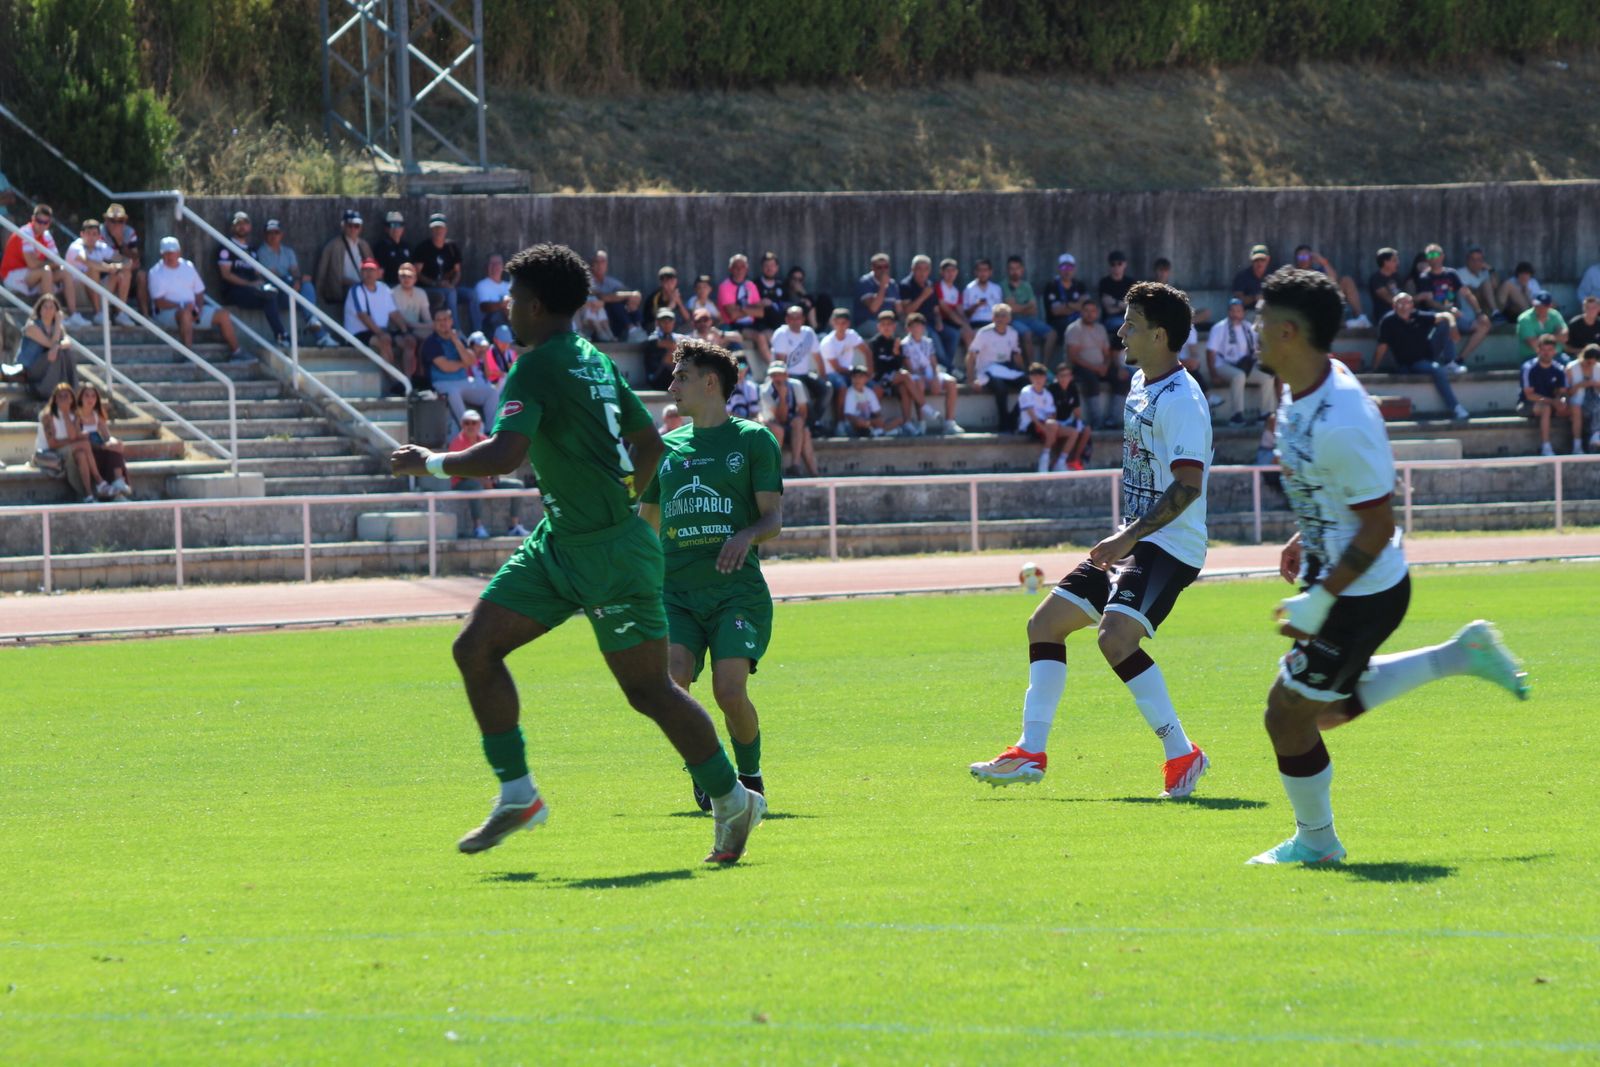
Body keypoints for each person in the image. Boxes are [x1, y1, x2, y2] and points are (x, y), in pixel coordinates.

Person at [388, 242, 764, 862]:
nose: (506, 308)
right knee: (476, 649)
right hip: (561, 544)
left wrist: (428, 462)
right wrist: (623, 502)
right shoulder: (591, 357)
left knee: (650, 692)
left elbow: (506, 454)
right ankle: (518, 794)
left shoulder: (536, 367)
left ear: (534, 305)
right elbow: (649, 443)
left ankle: (732, 799)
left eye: (512, 299)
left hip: (609, 554)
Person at [1245, 266, 1527, 866]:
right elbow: (1338, 493)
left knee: (1287, 715)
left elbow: (1376, 525)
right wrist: (1306, 535)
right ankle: (1459, 655)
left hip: (1361, 592)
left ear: (1290, 332)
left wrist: (1322, 598)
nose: (1253, 332)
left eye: (1262, 322)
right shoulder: (1301, 388)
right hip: (1342, 582)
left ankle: (1317, 844)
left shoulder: (1342, 417)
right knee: (1320, 710)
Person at [970, 281, 1212, 798]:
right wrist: (1126, 537)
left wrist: (1126, 538)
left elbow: (1188, 486)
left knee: (1115, 637)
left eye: (1132, 324)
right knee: (1045, 624)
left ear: (1160, 335)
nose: (1120, 331)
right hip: (1136, 540)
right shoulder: (1141, 384)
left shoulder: (1183, 399)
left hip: (1170, 545)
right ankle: (1030, 751)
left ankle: (1182, 753)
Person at [640, 339, 785, 810]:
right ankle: (707, 768)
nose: (671, 385)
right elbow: (646, 526)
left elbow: (772, 520)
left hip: (734, 593)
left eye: (681, 376)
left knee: (728, 690)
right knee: (672, 684)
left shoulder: (753, 440)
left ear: (710, 383)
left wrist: (745, 536)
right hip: (675, 593)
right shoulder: (662, 449)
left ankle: (750, 775)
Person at [1374, 293, 1470, 421]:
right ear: (1394, 306)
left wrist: (1453, 325)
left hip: (1427, 355)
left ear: (1411, 305)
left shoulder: (1417, 315)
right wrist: (1373, 368)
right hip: (1410, 363)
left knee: (1444, 324)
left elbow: (1446, 315)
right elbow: (1382, 347)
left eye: (1407, 303)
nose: (1404, 306)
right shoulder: (1388, 321)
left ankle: (1450, 363)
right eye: (1400, 303)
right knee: (1437, 370)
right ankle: (1456, 407)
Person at [147, 236, 247, 360]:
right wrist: (182, 305)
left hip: (191, 308)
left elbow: (199, 292)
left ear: (178, 252)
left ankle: (237, 352)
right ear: (161, 254)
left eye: (171, 253)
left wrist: (198, 308)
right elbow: (159, 302)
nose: (169, 256)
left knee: (223, 315)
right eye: (166, 253)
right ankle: (188, 356)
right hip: (166, 313)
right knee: (185, 314)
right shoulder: (155, 272)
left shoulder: (188, 266)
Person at [254, 218, 337, 348]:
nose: (273, 235)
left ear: (281, 234)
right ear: (265, 235)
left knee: (307, 283)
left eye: (276, 232)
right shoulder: (262, 252)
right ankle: (314, 325)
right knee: (294, 285)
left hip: (291, 289)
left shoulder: (288, 251)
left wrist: (298, 280)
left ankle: (318, 331)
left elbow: (295, 271)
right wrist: (293, 282)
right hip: (276, 294)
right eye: (270, 232)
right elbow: (273, 275)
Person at [448, 410, 529, 539]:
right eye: (466, 423)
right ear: (462, 425)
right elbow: (457, 470)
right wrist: (482, 480)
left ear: (479, 425)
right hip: (462, 482)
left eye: (473, 423)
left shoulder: (486, 440)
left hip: (485, 480)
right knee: (476, 487)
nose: (470, 426)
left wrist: (494, 477)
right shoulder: (457, 443)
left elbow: (495, 462)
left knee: (517, 486)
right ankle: (477, 527)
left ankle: (514, 526)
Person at [215, 211, 288, 343]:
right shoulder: (226, 247)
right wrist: (249, 284)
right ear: (232, 227)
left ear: (250, 227)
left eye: (245, 224)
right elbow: (226, 274)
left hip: (252, 290)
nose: (242, 227)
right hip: (234, 291)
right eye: (238, 224)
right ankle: (282, 334)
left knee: (272, 294)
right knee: (268, 295)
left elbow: (257, 273)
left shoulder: (252, 251)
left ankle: (282, 336)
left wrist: (260, 282)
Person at [420, 306, 499, 429]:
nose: (443, 323)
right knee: (453, 392)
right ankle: (468, 430)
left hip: (464, 381)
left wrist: (456, 341)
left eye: (446, 319)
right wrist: (464, 363)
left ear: (451, 321)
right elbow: (446, 367)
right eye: (439, 320)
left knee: (492, 392)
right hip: (442, 383)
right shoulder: (431, 342)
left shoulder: (459, 338)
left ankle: (490, 430)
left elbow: (472, 360)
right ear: (434, 323)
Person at [1413, 243, 1490, 364]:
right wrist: (1447, 310)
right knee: (1448, 320)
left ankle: (1459, 359)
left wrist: (1479, 313)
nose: (1434, 257)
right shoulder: (1424, 277)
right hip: (1435, 316)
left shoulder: (1451, 274)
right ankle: (1449, 361)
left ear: (1442, 256)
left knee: (1484, 324)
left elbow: (1467, 294)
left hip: (1454, 313)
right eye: (1430, 255)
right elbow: (1430, 302)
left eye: (1436, 254)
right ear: (1427, 258)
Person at [1207, 297, 1273, 424]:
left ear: (1243, 312)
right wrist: (1213, 374)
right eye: (1233, 311)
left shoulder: (1248, 327)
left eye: (1239, 311)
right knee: (1239, 376)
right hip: (1223, 366)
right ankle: (1236, 415)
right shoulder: (1219, 327)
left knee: (1267, 375)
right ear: (1228, 312)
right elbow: (1210, 352)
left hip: (1245, 366)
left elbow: (1257, 349)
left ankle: (1265, 413)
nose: (1236, 314)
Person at [342, 258, 409, 383]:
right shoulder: (356, 290)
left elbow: (394, 313)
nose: (368, 273)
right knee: (384, 340)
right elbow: (363, 315)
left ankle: (410, 381)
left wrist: (405, 331)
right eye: (365, 270)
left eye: (371, 269)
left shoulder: (384, 288)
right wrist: (381, 333)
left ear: (379, 272)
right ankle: (396, 382)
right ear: (361, 273)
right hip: (357, 334)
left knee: (409, 342)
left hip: (379, 331)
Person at [1065, 298, 1126, 429]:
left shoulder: (1100, 328)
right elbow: (1073, 357)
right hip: (1081, 367)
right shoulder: (1074, 329)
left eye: (1092, 311)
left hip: (1100, 367)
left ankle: (1113, 420)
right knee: (1091, 381)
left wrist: (1105, 365)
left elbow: (1107, 353)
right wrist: (1095, 368)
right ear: (1081, 312)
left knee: (1123, 378)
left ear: (1097, 313)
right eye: (1086, 311)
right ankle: (1096, 421)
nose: (1089, 314)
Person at [901, 312, 963, 434]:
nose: (917, 329)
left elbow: (933, 362)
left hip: (930, 374)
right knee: (919, 383)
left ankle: (949, 422)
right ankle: (921, 423)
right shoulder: (904, 344)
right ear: (908, 328)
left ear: (923, 327)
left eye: (919, 326)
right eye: (914, 326)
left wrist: (934, 377)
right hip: (916, 376)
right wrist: (924, 377)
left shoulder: (928, 342)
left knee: (951, 382)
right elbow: (909, 367)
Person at [37, 380, 100, 501]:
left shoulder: (74, 415)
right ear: (55, 399)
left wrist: (66, 414)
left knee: (81, 455)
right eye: (60, 396)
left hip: (67, 449)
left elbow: (72, 437)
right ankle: (99, 480)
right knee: (84, 444)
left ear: (72, 399)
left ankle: (88, 494)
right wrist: (76, 441)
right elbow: (52, 444)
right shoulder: (47, 416)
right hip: (48, 453)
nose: (64, 399)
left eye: (67, 396)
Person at [966, 303, 1026, 431]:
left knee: (1027, 385)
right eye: (997, 315)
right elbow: (971, 356)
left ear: (1009, 318)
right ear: (992, 318)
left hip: (1006, 369)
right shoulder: (984, 333)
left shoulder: (1013, 333)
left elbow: (1016, 355)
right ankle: (1004, 423)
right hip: (987, 370)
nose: (1000, 318)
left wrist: (1023, 370)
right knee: (1000, 387)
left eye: (1004, 316)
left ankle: (1013, 417)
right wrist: (971, 379)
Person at [1521, 335, 1581, 456]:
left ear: (1555, 351)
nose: (1546, 353)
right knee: (1546, 408)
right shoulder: (1529, 368)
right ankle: (1546, 447)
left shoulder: (1559, 369)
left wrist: (1561, 400)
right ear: (1538, 350)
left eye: (1549, 350)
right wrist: (1554, 402)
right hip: (1528, 405)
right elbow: (1529, 395)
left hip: (1552, 402)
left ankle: (1578, 446)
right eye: (1543, 350)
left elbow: (1562, 391)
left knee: (1576, 408)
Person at [13, 292, 77, 400]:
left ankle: (72, 390)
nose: (48, 310)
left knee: (66, 353)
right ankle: (45, 391)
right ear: (39, 309)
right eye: (45, 307)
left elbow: (68, 342)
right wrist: (58, 323)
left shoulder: (56, 328)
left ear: (56, 311)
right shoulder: (31, 326)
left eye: (51, 307)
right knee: (57, 353)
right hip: (30, 367)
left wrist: (57, 344)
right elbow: (51, 344)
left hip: (48, 366)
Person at [770, 304, 827, 425]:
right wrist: (785, 380)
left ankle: (814, 422)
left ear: (803, 319)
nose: (795, 321)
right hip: (789, 376)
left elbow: (818, 357)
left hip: (806, 374)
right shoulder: (781, 334)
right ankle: (813, 425)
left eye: (798, 318)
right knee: (804, 393)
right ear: (787, 320)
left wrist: (823, 376)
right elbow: (781, 364)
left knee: (827, 388)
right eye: (792, 318)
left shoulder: (809, 332)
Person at [63, 218, 127, 326]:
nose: (91, 237)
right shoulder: (75, 247)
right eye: (88, 234)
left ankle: (121, 313)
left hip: (94, 292)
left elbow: (120, 258)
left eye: (94, 234)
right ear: (82, 234)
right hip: (77, 293)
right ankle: (98, 313)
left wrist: (123, 265)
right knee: (93, 270)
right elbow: (87, 261)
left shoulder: (101, 246)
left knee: (123, 274)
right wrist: (110, 267)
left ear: (99, 236)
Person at [868, 309, 922, 434]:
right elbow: (877, 367)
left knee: (904, 387)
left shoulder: (898, 343)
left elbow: (897, 365)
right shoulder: (874, 343)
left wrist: (896, 353)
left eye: (889, 324)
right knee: (904, 375)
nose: (886, 327)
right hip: (881, 380)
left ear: (894, 326)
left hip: (894, 381)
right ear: (878, 327)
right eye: (883, 324)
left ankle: (907, 423)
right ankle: (923, 405)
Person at [759, 361, 818, 476]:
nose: (777, 378)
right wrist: (782, 397)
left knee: (802, 428)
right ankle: (775, 469)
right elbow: (780, 418)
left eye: (779, 374)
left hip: (791, 426)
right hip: (773, 425)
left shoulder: (796, 385)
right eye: (773, 375)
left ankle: (801, 467)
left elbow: (803, 413)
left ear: (786, 375)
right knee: (781, 430)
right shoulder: (765, 391)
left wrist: (796, 424)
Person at [1289, 244, 1369, 328]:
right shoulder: (1293, 274)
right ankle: (1344, 324)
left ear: (1311, 258)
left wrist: (1322, 261)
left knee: (1346, 280)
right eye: (1300, 257)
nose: (1303, 260)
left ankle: (1360, 319)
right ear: (1296, 259)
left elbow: (1334, 280)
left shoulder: (1319, 271)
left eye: (1305, 257)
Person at [75, 383, 131, 499]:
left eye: (93, 396)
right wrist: (104, 446)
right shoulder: (77, 416)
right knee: (107, 449)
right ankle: (111, 488)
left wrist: (114, 442)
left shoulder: (97, 416)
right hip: (87, 451)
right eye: (87, 396)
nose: (90, 399)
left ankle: (118, 482)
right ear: (81, 398)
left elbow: (107, 436)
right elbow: (79, 439)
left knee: (115, 448)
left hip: (100, 448)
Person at [717, 254, 771, 373]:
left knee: (772, 334)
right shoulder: (725, 286)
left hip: (751, 324)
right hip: (731, 325)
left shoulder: (750, 285)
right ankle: (772, 367)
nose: (739, 270)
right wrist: (750, 309)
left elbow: (760, 313)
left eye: (742, 267)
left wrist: (742, 308)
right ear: (730, 269)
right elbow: (732, 315)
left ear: (746, 269)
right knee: (759, 337)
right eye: (736, 267)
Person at [417, 213, 472, 328]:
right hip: (430, 288)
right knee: (450, 294)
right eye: (435, 228)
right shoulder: (423, 248)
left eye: (440, 227)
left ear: (446, 229)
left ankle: (478, 330)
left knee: (472, 294)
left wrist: (452, 284)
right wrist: (435, 283)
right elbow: (417, 274)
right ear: (431, 229)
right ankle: (457, 331)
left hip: (449, 286)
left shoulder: (452, 247)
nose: (438, 231)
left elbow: (457, 272)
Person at [819, 307, 871, 425]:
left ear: (848, 323)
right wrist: (857, 374)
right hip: (831, 375)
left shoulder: (852, 335)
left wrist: (869, 373)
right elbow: (837, 368)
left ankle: (872, 423)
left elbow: (867, 352)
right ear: (833, 323)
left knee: (873, 386)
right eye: (837, 323)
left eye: (844, 323)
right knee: (842, 387)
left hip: (848, 373)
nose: (841, 326)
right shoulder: (827, 342)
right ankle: (841, 423)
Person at [2, 203, 62, 300]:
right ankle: (49, 310)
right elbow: (32, 264)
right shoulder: (26, 232)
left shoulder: (46, 235)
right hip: (11, 276)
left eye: (45, 222)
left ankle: (74, 313)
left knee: (64, 272)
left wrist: (49, 263)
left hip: (30, 275)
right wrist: (51, 263)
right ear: (33, 219)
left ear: (49, 223)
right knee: (46, 271)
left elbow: (58, 261)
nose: (42, 225)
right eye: (39, 221)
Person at [314, 208, 372, 307]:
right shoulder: (332, 246)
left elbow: (372, 267)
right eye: (350, 225)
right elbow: (321, 272)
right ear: (343, 226)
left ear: (360, 228)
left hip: (364, 289)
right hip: (342, 291)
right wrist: (318, 295)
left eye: (356, 226)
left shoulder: (364, 245)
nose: (353, 229)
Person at [1002, 255, 1053, 365]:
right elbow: (1011, 309)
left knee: (1052, 334)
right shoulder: (1004, 285)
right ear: (1008, 270)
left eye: (1017, 268)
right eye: (1011, 269)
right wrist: (1026, 306)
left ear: (1022, 270)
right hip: (1013, 320)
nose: (1014, 272)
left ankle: (1045, 366)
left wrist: (1019, 307)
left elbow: (1034, 310)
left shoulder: (1026, 285)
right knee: (1027, 333)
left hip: (1029, 319)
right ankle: (1032, 366)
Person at [1017, 362, 1067, 472]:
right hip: (1030, 426)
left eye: (1041, 376)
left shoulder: (1047, 394)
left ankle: (1061, 462)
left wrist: (1050, 429)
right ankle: (1044, 460)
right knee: (1052, 426)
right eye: (1035, 376)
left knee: (1072, 432)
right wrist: (1045, 428)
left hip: (1046, 425)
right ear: (1030, 378)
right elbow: (1031, 415)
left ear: (1045, 378)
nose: (1038, 379)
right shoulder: (1026, 392)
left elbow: (1051, 414)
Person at [100, 203, 145, 319]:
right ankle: (112, 311)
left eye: (120, 221)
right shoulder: (99, 232)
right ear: (106, 220)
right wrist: (124, 264)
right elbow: (101, 259)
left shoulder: (129, 232)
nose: (116, 224)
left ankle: (129, 314)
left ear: (125, 221)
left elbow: (135, 258)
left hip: (125, 273)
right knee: (121, 272)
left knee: (136, 274)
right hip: (104, 273)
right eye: (112, 220)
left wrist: (120, 243)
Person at [392, 263, 434, 384]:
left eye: (410, 276)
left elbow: (427, 318)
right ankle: (408, 381)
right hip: (398, 330)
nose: (406, 279)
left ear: (415, 278)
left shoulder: (421, 293)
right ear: (398, 277)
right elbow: (403, 322)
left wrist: (432, 327)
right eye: (403, 276)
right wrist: (428, 326)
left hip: (416, 328)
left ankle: (424, 378)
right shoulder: (392, 293)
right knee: (411, 342)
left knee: (432, 338)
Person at [1048, 362, 1091, 470]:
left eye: (1067, 375)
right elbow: (1051, 415)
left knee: (1086, 429)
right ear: (1057, 377)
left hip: (1067, 420)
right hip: (1054, 422)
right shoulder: (1051, 389)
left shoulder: (1073, 388)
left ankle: (1075, 460)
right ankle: (1057, 461)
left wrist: (1079, 423)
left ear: (1071, 377)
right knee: (1071, 432)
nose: (1064, 378)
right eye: (1062, 376)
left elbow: (1077, 411)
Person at [1044, 253, 1090, 345]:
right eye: (1064, 268)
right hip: (1057, 322)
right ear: (1059, 269)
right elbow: (1056, 311)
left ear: (1074, 269)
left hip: (1078, 319)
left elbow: (1086, 307)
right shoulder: (1052, 285)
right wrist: (1076, 306)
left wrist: (1067, 305)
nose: (1067, 271)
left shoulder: (1080, 285)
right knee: (1073, 329)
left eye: (1070, 268)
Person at [935, 257, 974, 364]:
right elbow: (947, 310)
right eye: (947, 271)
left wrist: (967, 326)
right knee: (955, 334)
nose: (950, 274)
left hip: (952, 322)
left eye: (953, 271)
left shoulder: (956, 291)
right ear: (942, 272)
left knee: (969, 335)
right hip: (941, 321)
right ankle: (947, 365)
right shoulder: (938, 287)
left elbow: (960, 311)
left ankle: (972, 366)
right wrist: (963, 325)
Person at [1515, 292, 1568, 361]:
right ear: (1533, 304)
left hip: (1557, 355)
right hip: (1532, 357)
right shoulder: (1524, 319)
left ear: (1550, 305)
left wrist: (1541, 339)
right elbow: (1534, 345)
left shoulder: (1555, 315)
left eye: (1545, 305)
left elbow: (1564, 337)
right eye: (1538, 305)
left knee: (1571, 367)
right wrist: (1555, 337)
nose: (1541, 308)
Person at [840, 364, 890, 437]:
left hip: (868, 422)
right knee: (860, 423)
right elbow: (849, 416)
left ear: (866, 379)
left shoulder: (870, 392)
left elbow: (877, 412)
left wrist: (877, 420)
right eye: (854, 377)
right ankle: (881, 432)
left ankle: (877, 431)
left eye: (860, 377)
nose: (857, 380)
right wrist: (868, 422)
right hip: (854, 425)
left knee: (897, 420)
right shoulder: (850, 393)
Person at [1567, 344, 1600, 452]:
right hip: (1575, 400)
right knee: (1577, 409)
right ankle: (1577, 445)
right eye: (1589, 361)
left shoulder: (1598, 368)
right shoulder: (1571, 368)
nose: (1591, 364)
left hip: (1594, 400)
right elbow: (1568, 392)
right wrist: (1580, 385)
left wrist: (1596, 385)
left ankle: (1595, 435)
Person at [643, 307, 686, 390]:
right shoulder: (653, 338)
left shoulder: (677, 337)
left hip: (672, 378)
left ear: (674, 322)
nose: (667, 323)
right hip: (656, 378)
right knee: (672, 353)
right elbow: (669, 344)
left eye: (670, 320)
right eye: (663, 320)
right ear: (658, 323)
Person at [854, 252, 900, 327]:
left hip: (889, 323)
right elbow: (873, 308)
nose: (883, 270)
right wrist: (883, 286)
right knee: (885, 329)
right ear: (873, 268)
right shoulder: (865, 282)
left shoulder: (892, 284)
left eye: (886, 267)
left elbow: (899, 310)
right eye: (879, 267)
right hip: (868, 322)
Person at [1098, 250, 1135, 337]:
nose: (1116, 266)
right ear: (1109, 266)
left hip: (1129, 319)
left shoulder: (1131, 283)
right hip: (1110, 320)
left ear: (1125, 264)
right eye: (1113, 264)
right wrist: (1125, 306)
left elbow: (1134, 307)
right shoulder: (1104, 283)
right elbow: (1109, 310)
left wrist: (1115, 303)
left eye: (1119, 263)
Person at [1366, 247, 1406, 326]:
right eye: (1394, 260)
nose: (1398, 263)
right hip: (1384, 314)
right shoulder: (1376, 278)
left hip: (1401, 311)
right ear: (1386, 262)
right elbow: (1387, 298)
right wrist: (1406, 306)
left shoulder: (1397, 277)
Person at [372, 211, 414, 287]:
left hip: (407, 286)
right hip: (390, 287)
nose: (396, 228)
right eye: (392, 225)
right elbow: (379, 274)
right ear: (386, 228)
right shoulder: (381, 247)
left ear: (403, 228)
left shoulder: (407, 247)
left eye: (399, 225)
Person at [474, 254, 512, 336]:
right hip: (489, 325)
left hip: (510, 321)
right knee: (497, 314)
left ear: (503, 266)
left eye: (498, 263)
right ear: (487, 267)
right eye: (492, 263)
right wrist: (502, 304)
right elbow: (484, 307)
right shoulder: (482, 285)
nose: (496, 266)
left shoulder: (509, 286)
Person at [644, 266, 690, 332]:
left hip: (674, 326)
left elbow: (687, 318)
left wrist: (679, 302)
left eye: (672, 280)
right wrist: (671, 304)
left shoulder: (678, 294)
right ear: (661, 282)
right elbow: (659, 321)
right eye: (666, 281)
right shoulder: (654, 298)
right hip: (654, 327)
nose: (670, 284)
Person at [962, 258, 1002, 330]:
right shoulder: (969, 289)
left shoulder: (997, 289)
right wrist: (976, 305)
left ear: (990, 272)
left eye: (985, 270)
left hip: (993, 324)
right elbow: (965, 314)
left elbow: (1000, 311)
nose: (983, 273)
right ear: (976, 272)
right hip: (976, 323)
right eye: (980, 270)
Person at [1231, 244, 1271, 309]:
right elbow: (1237, 302)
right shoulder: (1241, 277)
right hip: (1248, 313)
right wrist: (1254, 298)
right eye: (1256, 260)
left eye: (1262, 260)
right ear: (1251, 260)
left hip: (1269, 312)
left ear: (1268, 259)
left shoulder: (1273, 276)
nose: (1259, 263)